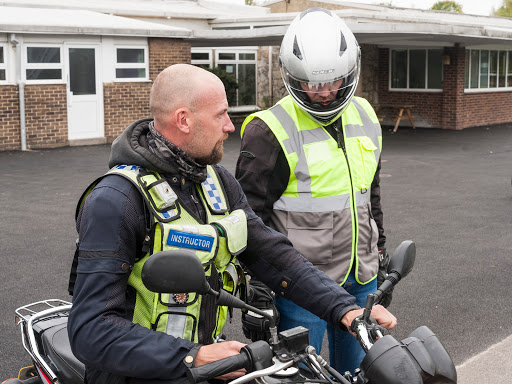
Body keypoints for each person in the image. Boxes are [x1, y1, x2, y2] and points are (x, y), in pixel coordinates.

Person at [67, 63, 396, 384]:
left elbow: (272, 254)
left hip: (206, 364)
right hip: (136, 373)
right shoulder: (115, 199)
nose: (230, 126)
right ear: (184, 120)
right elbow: (91, 329)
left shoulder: (216, 182)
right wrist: (192, 356)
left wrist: (346, 310)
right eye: (221, 114)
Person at [235, 8, 389, 375]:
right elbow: (247, 213)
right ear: (291, 76)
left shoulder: (365, 114)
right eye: (310, 83)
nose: (322, 93)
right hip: (303, 282)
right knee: (301, 376)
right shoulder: (269, 129)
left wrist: (379, 250)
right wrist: (257, 284)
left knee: (359, 373)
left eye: (334, 81)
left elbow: (371, 193)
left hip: (362, 279)